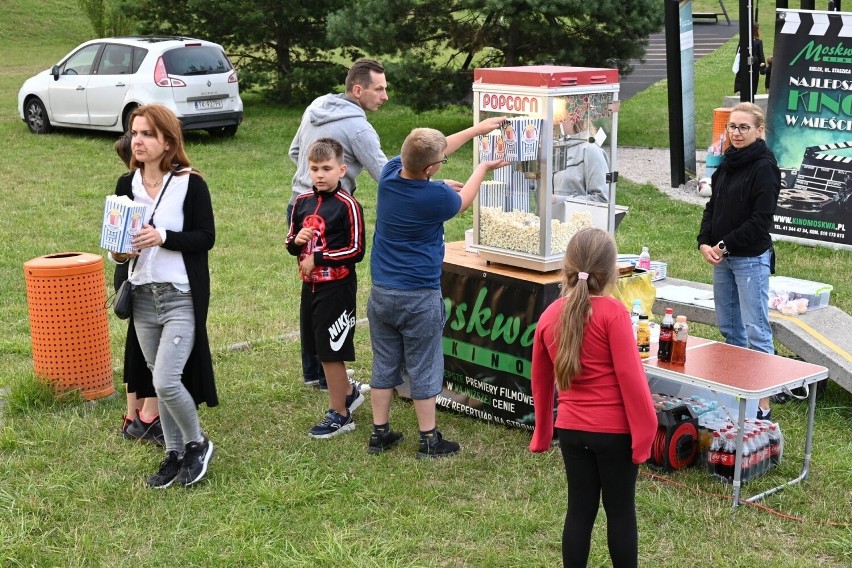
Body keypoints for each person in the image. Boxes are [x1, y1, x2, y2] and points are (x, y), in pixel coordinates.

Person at [366, 118, 508, 458]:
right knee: (425, 365)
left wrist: (477, 130)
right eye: (440, 161)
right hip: (419, 297)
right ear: (430, 168)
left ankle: (379, 433)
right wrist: (484, 166)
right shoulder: (439, 198)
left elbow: (432, 152)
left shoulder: (388, 174)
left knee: (384, 362)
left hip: (382, 294)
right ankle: (429, 439)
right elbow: (465, 200)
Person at [529, 227, 657, 568]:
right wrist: (645, 436)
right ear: (613, 271)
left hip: (571, 431)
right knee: (620, 513)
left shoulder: (549, 315)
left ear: (566, 268)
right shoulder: (613, 314)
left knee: (579, 511)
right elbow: (633, 382)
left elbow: (539, 382)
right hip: (615, 434)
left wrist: (542, 434)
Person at [110, 104, 218, 488]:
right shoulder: (127, 186)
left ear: (168, 142)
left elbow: (206, 237)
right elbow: (116, 244)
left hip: (179, 296)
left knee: (169, 380)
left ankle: (197, 443)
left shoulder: (190, 183)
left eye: (147, 134)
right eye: (135, 133)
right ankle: (173, 455)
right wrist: (120, 253)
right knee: (158, 380)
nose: (137, 141)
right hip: (141, 296)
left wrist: (164, 238)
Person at [288, 59, 388, 391]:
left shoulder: (315, 107)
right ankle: (334, 376)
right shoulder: (358, 127)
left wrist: (310, 178)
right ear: (358, 90)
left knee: (312, 289)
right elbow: (384, 173)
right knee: (334, 294)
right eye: (380, 89)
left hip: (300, 205)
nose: (385, 96)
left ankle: (316, 373)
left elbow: (295, 152)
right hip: (332, 212)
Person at [697, 102, 780, 421]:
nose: (736, 133)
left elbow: (761, 220)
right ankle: (737, 397)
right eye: (732, 127)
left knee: (756, 331)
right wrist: (704, 243)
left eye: (744, 127)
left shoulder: (764, 166)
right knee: (730, 329)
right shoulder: (726, 163)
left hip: (749, 261)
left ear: (760, 131)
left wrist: (723, 244)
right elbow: (712, 208)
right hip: (723, 258)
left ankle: (763, 407)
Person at [285, 138, 366, 438]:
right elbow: (290, 243)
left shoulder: (349, 205)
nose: (320, 174)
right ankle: (347, 393)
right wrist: (298, 242)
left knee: (332, 350)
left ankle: (341, 415)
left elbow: (357, 250)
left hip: (338, 287)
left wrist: (319, 256)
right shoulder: (302, 203)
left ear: (342, 169)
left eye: (327, 168)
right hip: (311, 287)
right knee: (318, 347)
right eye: (314, 168)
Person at [112, 131, 162, 446]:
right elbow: (117, 242)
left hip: (126, 272)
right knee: (156, 348)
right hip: (138, 274)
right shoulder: (133, 186)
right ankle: (147, 416)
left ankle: (134, 415)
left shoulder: (126, 183)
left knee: (137, 346)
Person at [552, 117, 609, 203]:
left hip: (577, 216)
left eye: (558, 116)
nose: (552, 119)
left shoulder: (590, 150)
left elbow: (602, 199)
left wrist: (557, 200)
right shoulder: (551, 148)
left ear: (573, 119)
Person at [734, 23, 765, 98]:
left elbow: (738, 51)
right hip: (754, 62)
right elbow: (760, 53)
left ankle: (741, 90)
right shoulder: (758, 41)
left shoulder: (744, 40)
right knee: (753, 78)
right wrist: (762, 62)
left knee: (744, 76)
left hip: (746, 61)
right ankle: (751, 92)